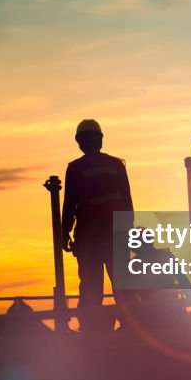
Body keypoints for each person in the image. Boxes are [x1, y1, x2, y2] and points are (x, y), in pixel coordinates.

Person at [61, 119, 133, 332]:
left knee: (91, 288)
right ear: (100, 139)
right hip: (114, 237)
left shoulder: (75, 168)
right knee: (122, 285)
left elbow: (69, 205)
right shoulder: (115, 165)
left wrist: (64, 232)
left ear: (79, 142)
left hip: (89, 240)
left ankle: (91, 329)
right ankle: (130, 326)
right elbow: (128, 203)